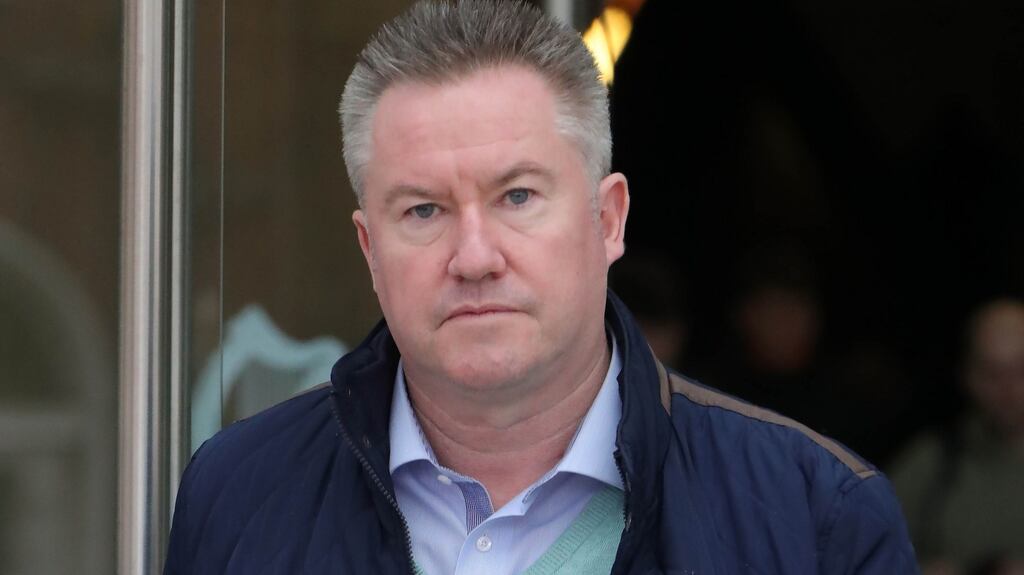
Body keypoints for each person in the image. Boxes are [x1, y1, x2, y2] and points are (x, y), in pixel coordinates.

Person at [164, 1, 917, 573]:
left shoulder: (816, 519)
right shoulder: (239, 494)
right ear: (369, 246)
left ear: (608, 218)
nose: (475, 254)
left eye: (517, 196)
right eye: (423, 209)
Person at [890, 298, 1024, 574]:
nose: (1008, 389)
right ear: (968, 377)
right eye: (993, 373)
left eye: (1020, 370)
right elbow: (865, 548)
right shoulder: (932, 460)